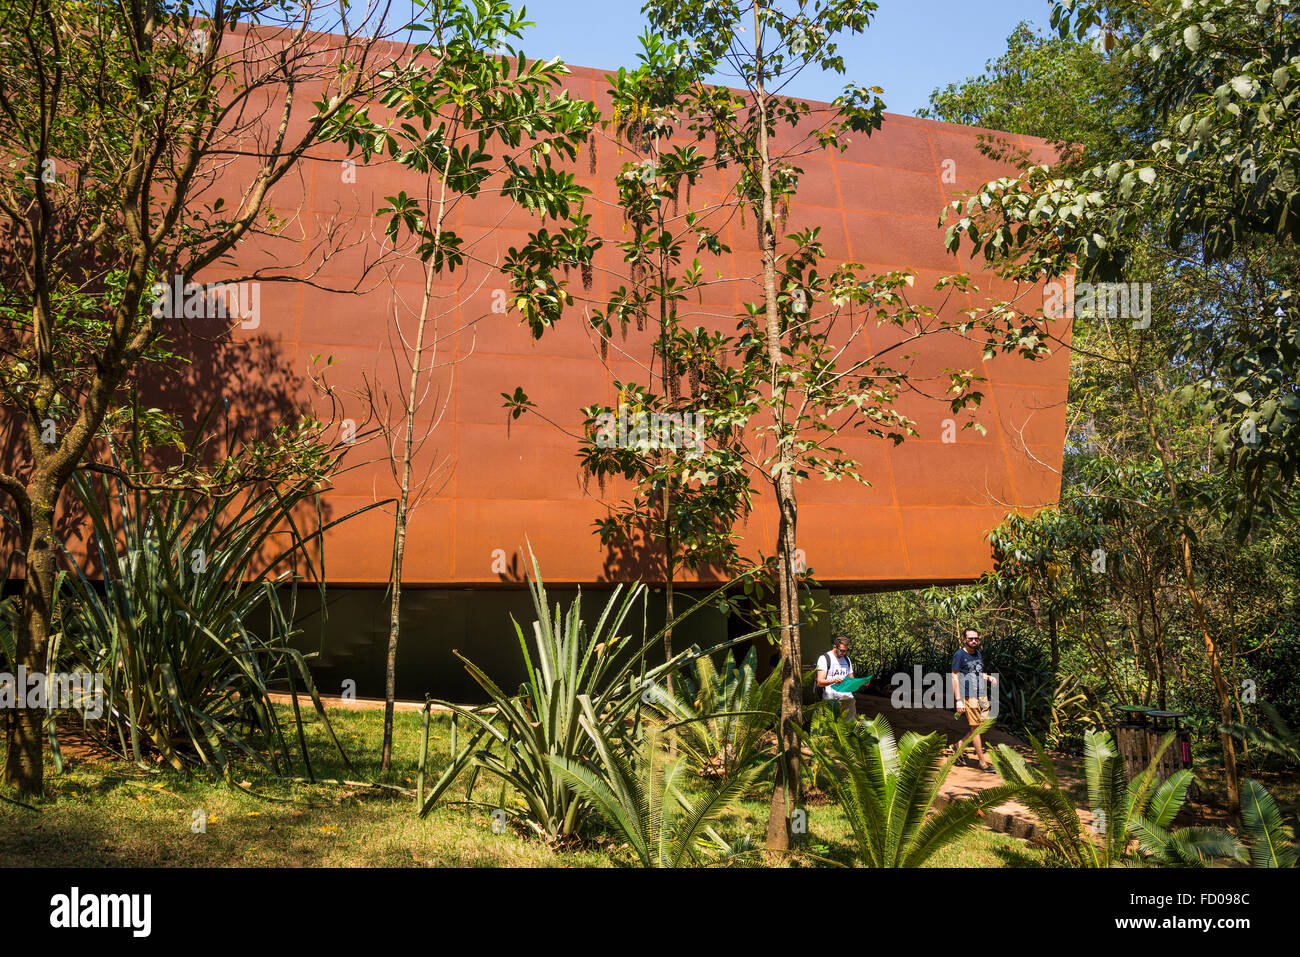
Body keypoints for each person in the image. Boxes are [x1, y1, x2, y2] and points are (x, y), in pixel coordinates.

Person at [951, 627, 998, 770]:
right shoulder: (959, 655)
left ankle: (959, 744)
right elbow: (954, 676)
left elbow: (978, 673)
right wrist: (958, 700)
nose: (974, 641)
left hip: (981, 693)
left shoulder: (978, 653)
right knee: (976, 728)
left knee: (983, 724)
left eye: (976, 638)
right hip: (968, 694)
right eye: (970, 638)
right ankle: (982, 763)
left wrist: (988, 677)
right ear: (964, 639)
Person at [816, 636, 857, 722]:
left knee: (849, 729)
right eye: (842, 650)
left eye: (846, 651)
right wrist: (834, 680)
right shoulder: (824, 658)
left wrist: (861, 682)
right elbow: (820, 682)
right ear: (835, 647)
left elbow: (851, 679)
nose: (844, 653)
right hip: (831, 700)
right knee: (831, 729)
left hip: (847, 699)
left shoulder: (847, 659)